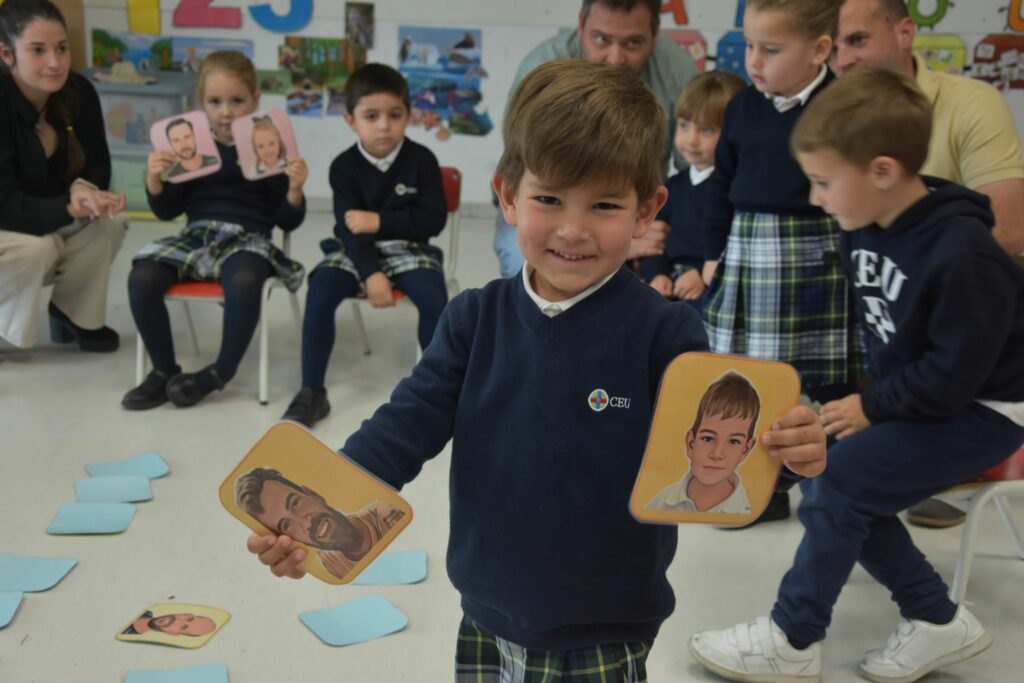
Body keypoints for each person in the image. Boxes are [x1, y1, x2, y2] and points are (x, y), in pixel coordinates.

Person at [247, 60, 828, 681]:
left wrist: (786, 458)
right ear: (507, 196)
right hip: (487, 606)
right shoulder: (474, 319)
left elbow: (717, 454)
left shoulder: (668, 332)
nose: (573, 230)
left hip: (608, 620)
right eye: (548, 199)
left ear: (646, 209)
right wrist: (318, 506)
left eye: (605, 205)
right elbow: (403, 425)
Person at [689, 67, 1024, 683]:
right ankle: (935, 618)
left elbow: (954, 376)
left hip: (988, 409)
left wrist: (871, 408)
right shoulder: (864, 228)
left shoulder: (965, 255)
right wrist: (863, 404)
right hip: (922, 399)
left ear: (883, 171)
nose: (815, 198)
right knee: (824, 475)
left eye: (822, 182)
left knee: (840, 478)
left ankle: (792, 637)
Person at [833, 0, 1024, 530]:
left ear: (905, 33)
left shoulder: (971, 103)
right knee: (827, 478)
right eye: (833, 48)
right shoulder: (836, 115)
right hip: (892, 337)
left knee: (840, 484)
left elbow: (1007, 229)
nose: (843, 62)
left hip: (965, 349)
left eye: (857, 40)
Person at [121, 51, 309, 411]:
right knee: (141, 277)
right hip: (196, 236)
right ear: (200, 104)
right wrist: (154, 180)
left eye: (236, 101)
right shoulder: (190, 147)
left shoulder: (267, 147)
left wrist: (295, 191)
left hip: (248, 238)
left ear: (255, 100)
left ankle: (220, 372)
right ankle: (163, 371)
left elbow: (286, 221)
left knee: (244, 280)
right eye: (215, 101)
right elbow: (167, 211)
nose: (226, 111)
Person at [281, 63, 448, 429]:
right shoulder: (344, 167)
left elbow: (433, 220)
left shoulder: (422, 160)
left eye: (394, 115)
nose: (384, 125)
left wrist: (380, 221)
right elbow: (349, 229)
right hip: (356, 249)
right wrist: (371, 273)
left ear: (408, 115)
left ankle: (436, 390)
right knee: (322, 287)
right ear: (350, 120)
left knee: (434, 296)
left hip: (410, 248)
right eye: (371, 116)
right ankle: (312, 391)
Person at [492, 0, 700, 279]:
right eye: (602, 39)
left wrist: (631, 221)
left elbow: (699, 175)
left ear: (655, 33)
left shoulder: (678, 70)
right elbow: (523, 170)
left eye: (633, 43)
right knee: (524, 269)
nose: (615, 58)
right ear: (580, 25)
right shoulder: (540, 68)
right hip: (540, 211)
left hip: (636, 211)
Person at [0, 0, 126, 352]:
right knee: (37, 247)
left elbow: (97, 168)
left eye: (61, 48)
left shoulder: (78, 91)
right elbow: (4, 204)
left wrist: (89, 192)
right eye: (37, 51)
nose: (55, 63)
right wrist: (68, 209)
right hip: (11, 222)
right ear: (6, 53)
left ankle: (74, 314)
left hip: (42, 213)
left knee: (109, 223)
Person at [638, 71, 746, 317]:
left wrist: (701, 274)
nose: (691, 140)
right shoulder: (674, 185)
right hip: (671, 284)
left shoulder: (736, 190)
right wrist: (658, 274)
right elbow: (654, 241)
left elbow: (733, 244)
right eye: (685, 126)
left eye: (707, 130)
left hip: (710, 285)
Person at [235, 467, 405, 579]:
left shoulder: (387, 514)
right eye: (286, 526)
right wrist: (301, 561)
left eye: (295, 503)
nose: (306, 524)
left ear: (313, 494)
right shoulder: (330, 563)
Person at [646, 371, 757, 514]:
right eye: (708, 439)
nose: (716, 454)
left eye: (734, 441)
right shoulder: (659, 504)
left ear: (746, 450)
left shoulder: (747, 512)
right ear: (691, 443)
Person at [122, 611, 216, 637]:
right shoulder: (146, 611)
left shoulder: (128, 635)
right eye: (188, 618)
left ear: (172, 633)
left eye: (183, 627)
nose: (176, 621)